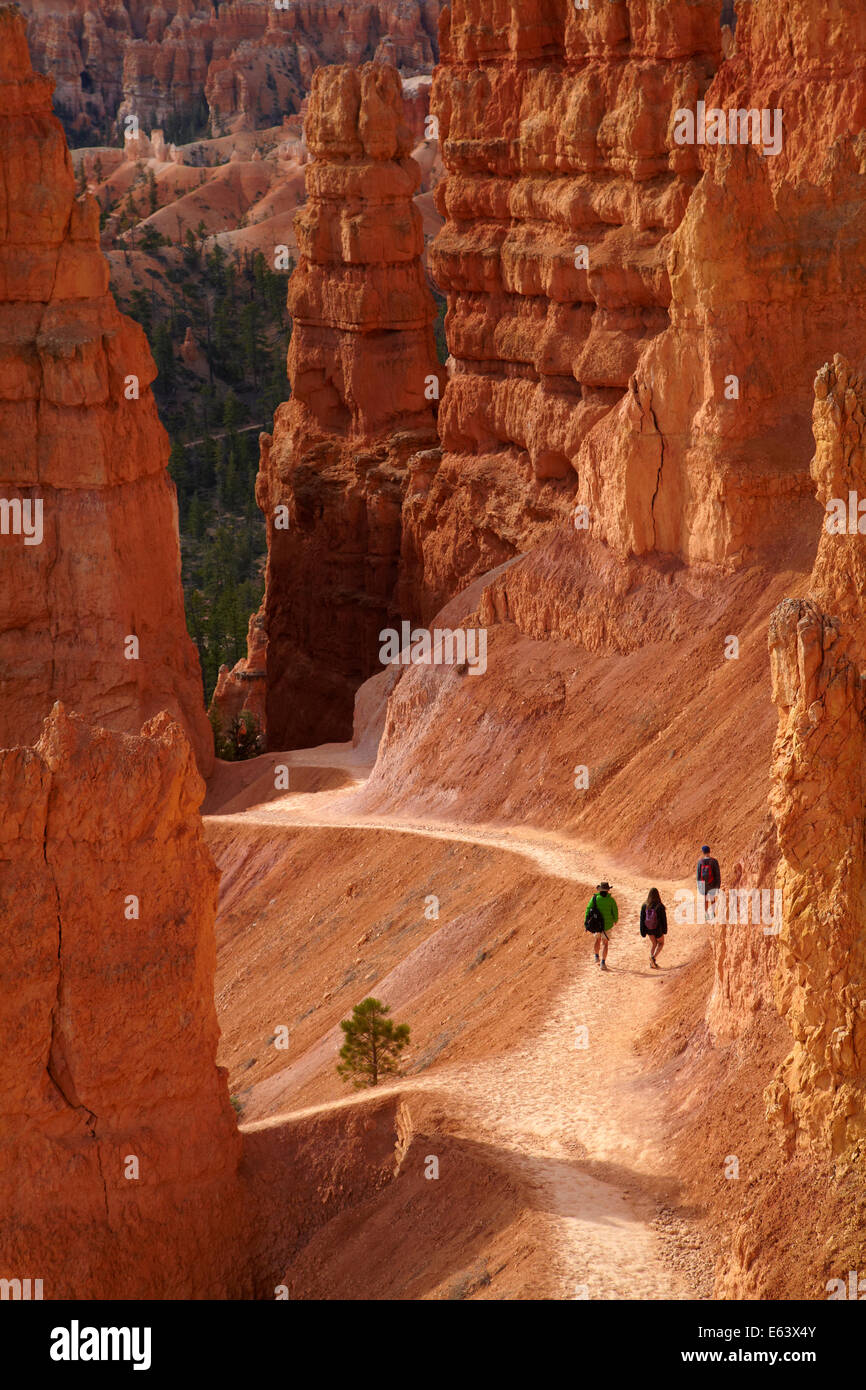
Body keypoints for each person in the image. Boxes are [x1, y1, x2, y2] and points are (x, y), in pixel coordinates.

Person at [584, 881, 619, 971]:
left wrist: (586, 922)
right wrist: (615, 920)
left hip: (596, 925)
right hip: (607, 926)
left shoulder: (595, 898)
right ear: (607, 890)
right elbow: (615, 912)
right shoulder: (611, 900)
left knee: (597, 940)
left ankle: (596, 957)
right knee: (605, 943)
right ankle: (603, 962)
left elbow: (588, 910)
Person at [640, 887, 668, 968]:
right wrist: (665, 930)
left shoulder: (644, 905)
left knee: (654, 944)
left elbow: (642, 919)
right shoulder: (660, 906)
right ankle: (653, 958)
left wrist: (643, 931)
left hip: (648, 929)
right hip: (658, 929)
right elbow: (664, 919)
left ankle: (652, 963)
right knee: (661, 943)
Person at [696, 844, 721, 920]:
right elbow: (717, 874)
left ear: (703, 852)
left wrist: (699, 885)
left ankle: (706, 915)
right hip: (712, 883)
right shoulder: (714, 861)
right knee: (712, 898)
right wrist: (718, 885)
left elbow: (698, 875)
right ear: (709, 851)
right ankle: (713, 914)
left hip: (704, 884)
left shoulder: (700, 862)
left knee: (705, 899)